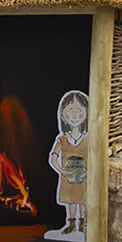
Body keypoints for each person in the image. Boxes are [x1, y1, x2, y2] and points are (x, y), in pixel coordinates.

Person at [49, 90, 89, 234]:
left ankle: (83, 223)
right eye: (70, 111)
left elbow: (94, 158)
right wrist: (62, 171)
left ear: (86, 114)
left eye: (78, 111)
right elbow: (53, 158)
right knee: (71, 201)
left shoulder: (88, 140)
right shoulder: (62, 140)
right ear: (62, 115)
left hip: (84, 177)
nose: (74, 115)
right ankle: (71, 223)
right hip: (68, 176)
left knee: (83, 200)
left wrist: (88, 172)